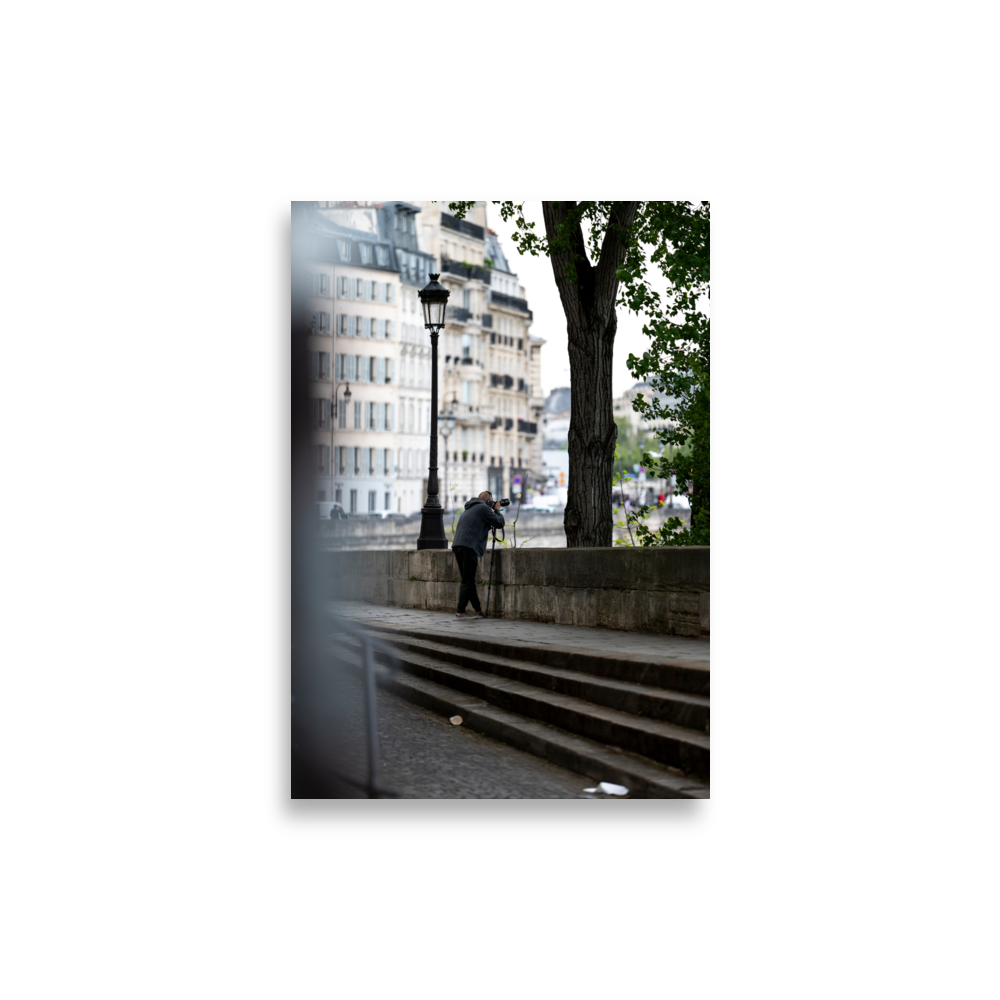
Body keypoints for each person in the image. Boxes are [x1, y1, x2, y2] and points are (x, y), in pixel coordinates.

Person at [451, 490, 505, 618]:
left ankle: (478, 611)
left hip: (458, 545)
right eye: (491, 502)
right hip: (469, 546)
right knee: (467, 580)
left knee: (468, 580)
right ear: (488, 501)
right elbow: (500, 523)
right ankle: (460, 611)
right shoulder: (483, 508)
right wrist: (497, 510)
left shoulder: (470, 509)